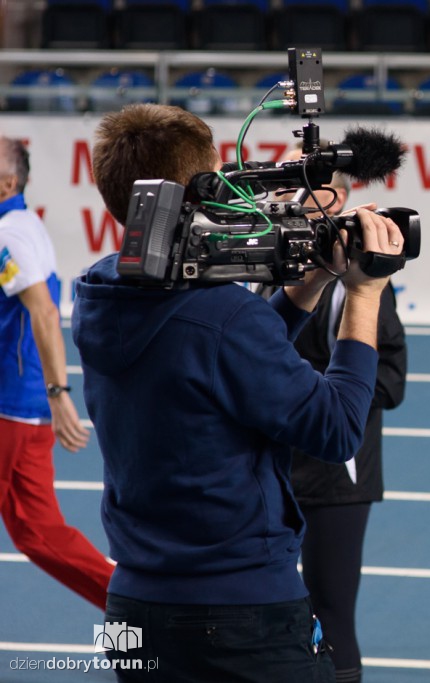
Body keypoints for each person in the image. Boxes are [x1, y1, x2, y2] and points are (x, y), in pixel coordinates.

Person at [71, 103, 404, 682]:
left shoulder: (100, 291)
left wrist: (314, 280)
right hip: (239, 613)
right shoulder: (219, 313)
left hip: (134, 602)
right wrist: (365, 294)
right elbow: (338, 428)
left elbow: (221, 352)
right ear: (198, 191)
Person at [258, 155, 408, 683]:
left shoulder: (360, 283)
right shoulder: (272, 262)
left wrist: (321, 397)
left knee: (331, 610)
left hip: (338, 470)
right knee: (270, 608)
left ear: (338, 200)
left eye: (308, 191)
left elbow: (391, 379)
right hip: (272, 463)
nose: (294, 201)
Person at [0, 136, 113, 611]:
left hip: (11, 409)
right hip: (19, 411)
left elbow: (45, 313)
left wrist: (58, 391)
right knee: (39, 535)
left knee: (39, 534)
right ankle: (139, 604)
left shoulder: (11, 233)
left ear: (7, 181)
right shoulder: (20, 224)